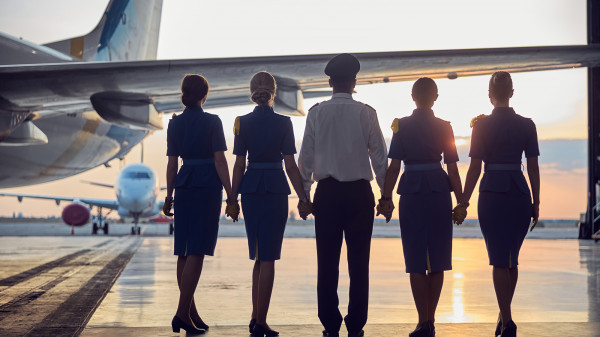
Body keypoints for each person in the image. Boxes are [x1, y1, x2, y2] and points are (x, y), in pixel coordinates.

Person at [298, 53, 388, 337]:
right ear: (354, 82)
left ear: (329, 82)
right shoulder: (366, 113)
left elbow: (306, 159)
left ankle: (330, 324)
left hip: (328, 194)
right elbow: (380, 158)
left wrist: (304, 195)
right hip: (360, 194)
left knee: (327, 262)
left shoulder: (316, 112)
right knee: (359, 263)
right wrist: (385, 195)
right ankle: (356, 325)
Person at [377, 77, 464, 337]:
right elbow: (452, 168)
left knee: (415, 259)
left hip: (412, 191)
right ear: (435, 97)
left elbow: (393, 167)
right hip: (438, 191)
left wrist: (386, 197)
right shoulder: (445, 127)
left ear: (413, 97)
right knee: (437, 260)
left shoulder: (401, 126)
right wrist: (461, 201)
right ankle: (430, 320)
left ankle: (422, 321)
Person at [230, 71, 311, 337]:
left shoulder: (241, 122)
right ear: (274, 93)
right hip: (275, 188)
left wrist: (232, 198)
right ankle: (261, 321)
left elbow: (239, 164)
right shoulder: (284, 123)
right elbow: (290, 165)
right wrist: (303, 197)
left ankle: (256, 317)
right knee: (269, 257)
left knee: (258, 256)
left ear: (252, 93)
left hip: (251, 189)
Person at [460, 71, 540, 337]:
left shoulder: (481, 126)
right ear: (512, 93)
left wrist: (463, 200)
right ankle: (504, 316)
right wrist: (536, 201)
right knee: (511, 260)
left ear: (490, 95)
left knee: (498, 259)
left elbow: (474, 168)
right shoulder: (527, 125)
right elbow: (533, 167)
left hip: (492, 192)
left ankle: (507, 321)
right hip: (519, 192)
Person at [163, 74, 236, 335]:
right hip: (206, 185)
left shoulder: (174, 124)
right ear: (205, 95)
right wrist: (231, 194)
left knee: (183, 250)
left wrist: (169, 195)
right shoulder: (212, 122)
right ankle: (182, 314)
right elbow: (220, 161)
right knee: (197, 250)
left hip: (184, 184)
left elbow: (172, 164)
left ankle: (191, 313)